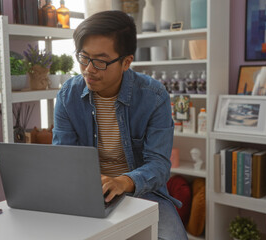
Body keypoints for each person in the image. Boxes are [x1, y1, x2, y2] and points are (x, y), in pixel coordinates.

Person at [52, 10, 188, 239]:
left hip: (143, 191)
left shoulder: (154, 96)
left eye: (101, 61)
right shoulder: (68, 95)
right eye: (83, 57)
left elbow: (159, 165)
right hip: (87, 194)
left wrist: (123, 182)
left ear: (126, 62)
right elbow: (64, 157)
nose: (88, 69)